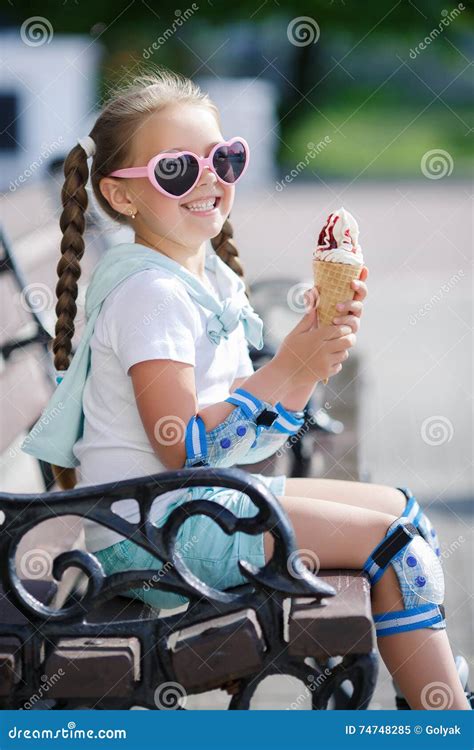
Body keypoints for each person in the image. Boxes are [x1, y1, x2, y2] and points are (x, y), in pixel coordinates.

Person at [23, 68, 469, 710]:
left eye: (223, 160)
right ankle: (443, 717)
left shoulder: (191, 280)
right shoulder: (151, 295)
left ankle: (436, 708)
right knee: (398, 544)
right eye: (177, 169)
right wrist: (288, 367)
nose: (209, 179)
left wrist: (308, 363)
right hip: (154, 540)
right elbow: (186, 447)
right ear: (122, 197)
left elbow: (229, 435)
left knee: (406, 516)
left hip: (184, 513)